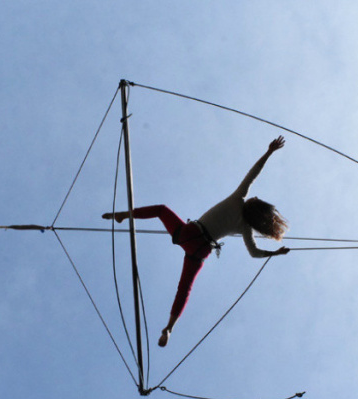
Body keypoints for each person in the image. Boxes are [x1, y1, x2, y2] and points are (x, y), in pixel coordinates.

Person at [103, 136, 290, 347]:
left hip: (189, 233)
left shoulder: (238, 198)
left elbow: (253, 173)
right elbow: (254, 253)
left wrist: (269, 152)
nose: (254, 196)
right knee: (185, 288)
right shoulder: (246, 228)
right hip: (199, 250)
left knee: (161, 210)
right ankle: (170, 327)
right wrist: (275, 253)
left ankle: (124, 215)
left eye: (256, 199)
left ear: (255, 203)